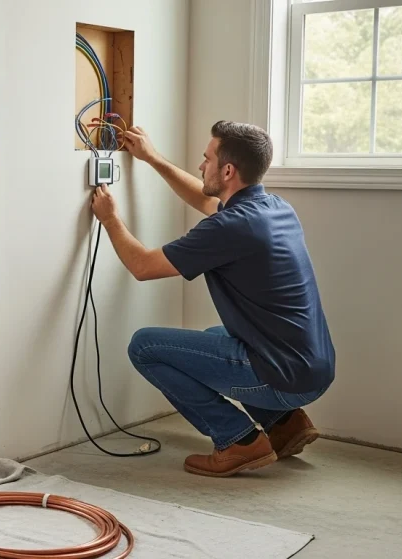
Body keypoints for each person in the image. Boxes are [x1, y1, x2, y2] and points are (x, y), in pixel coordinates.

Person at [89, 121, 336, 477]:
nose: (201, 166)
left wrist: (110, 218)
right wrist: (153, 158)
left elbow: (142, 266)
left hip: (285, 379)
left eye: (207, 160)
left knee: (144, 346)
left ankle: (238, 441)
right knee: (214, 336)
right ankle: (285, 425)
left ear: (228, 170)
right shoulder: (274, 208)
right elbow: (206, 198)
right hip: (313, 369)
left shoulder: (230, 227)